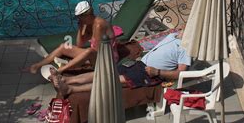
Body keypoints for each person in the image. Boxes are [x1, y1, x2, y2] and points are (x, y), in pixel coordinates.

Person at [46, 30, 192, 97]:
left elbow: (181, 73)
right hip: (138, 64)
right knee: (103, 73)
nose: (185, 27)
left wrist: (158, 72)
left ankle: (71, 90)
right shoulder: (173, 35)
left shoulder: (186, 48)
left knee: (110, 81)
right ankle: (66, 79)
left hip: (148, 73)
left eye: (189, 27)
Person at [26, 1, 122, 75]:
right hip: (96, 55)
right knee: (64, 46)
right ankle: (38, 65)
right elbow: (79, 44)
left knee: (88, 51)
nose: (79, 19)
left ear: (88, 15)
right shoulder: (88, 23)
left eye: (80, 17)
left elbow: (95, 50)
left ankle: (59, 70)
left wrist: (80, 61)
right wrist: (80, 28)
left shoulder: (99, 25)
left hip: (107, 59)